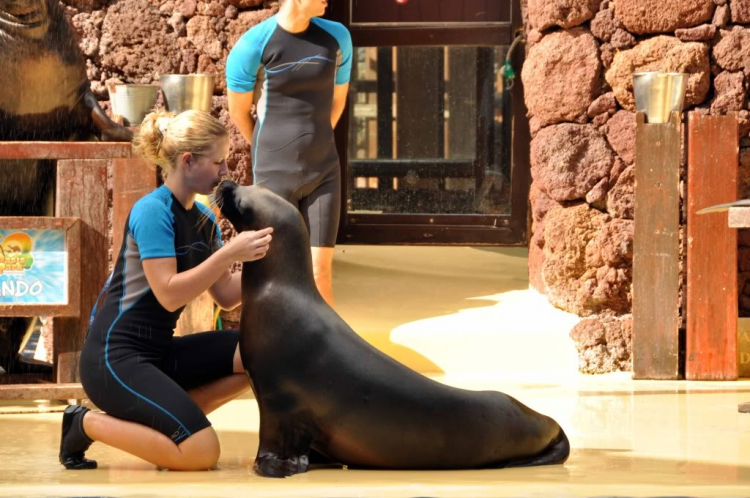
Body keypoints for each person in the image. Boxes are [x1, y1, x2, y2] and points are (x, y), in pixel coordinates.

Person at [58, 110, 274, 471]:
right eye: (218, 161)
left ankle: (167, 424)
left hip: (157, 353)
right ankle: (84, 423)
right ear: (188, 161)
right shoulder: (153, 211)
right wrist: (229, 254)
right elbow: (169, 294)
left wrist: (271, 260)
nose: (225, 171)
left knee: (258, 354)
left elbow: (226, 295)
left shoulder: (204, 221)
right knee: (201, 453)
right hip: (114, 360)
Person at [226, 0, 352, 307]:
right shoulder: (253, 45)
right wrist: (271, 149)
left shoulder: (337, 38)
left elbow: (337, 103)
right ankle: (271, 355)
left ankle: (326, 355)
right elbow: (238, 112)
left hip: (324, 172)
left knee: (320, 272)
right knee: (274, 273)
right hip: (273, 177)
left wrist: (313, 141)